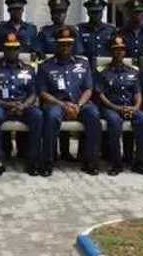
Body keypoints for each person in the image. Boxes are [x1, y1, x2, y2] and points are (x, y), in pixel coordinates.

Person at [37, 27, 101, 175]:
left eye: (68, 44)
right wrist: (62, 105)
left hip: (80, 103)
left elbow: (88, 89)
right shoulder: (45, 65)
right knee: (51, 116)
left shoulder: (83, 64)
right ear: (56, 45)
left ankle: (90, 160)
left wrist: (78, 105)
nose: (65, 47)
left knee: (93, 114)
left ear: (73, 45)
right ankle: (47, 161)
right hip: (56, 103)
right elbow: (42, 92)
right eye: (62, 44)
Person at [0, 32, 43, 176]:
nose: (12, 51)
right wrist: (6, 104)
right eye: (8, 48)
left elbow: (33, 93)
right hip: (1, 106)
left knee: (37, 115)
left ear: (19, 49)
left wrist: (24, 105)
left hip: (23, 107)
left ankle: (32, 159)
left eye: (15, 48)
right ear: (3, 50)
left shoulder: (28, 69)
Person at [96, 34, 143, 176]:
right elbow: (101, 95)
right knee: (114, 122)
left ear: (125, 52)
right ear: (110, 52)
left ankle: (141, 162)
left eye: (122, 49)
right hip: (110, 108)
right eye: (115, 50)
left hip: (130, 106)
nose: (119, 52)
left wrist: (136, 107)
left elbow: (138, 93)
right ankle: (116, 164)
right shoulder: (102, 71)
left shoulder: (133, 71)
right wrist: (116, 108)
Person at [77, 0, 116, 66]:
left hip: (105, 68)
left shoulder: (111, 29)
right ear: (88, 13)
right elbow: (78, 52)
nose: (96, 15)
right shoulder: (80, 29)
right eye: (93, 12)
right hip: (87, 67)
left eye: (99, 12)